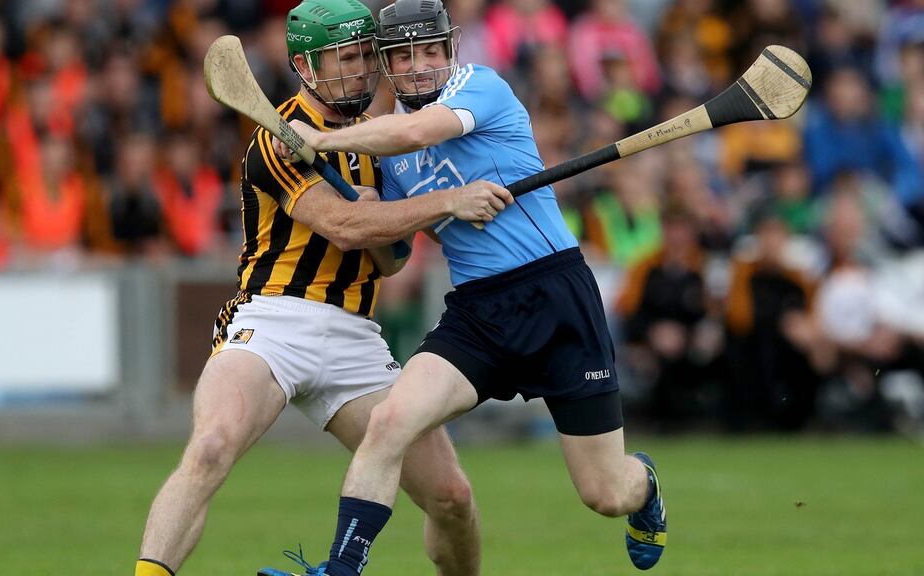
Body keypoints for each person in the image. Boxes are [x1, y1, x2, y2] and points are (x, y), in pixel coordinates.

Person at [262, 0, 667, 574]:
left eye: (430, 50)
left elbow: (416, 130)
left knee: (605, 493)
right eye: (403, 55)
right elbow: (394, 257)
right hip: (479, 312)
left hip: (554, 295)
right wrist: (369, 210)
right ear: (386, 64)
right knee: (388, 424)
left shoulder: (481, 87)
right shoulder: (385, 154)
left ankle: (644, 486)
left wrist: (321, 142)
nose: (420, 65)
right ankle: (340, 569)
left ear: (450, 49)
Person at [132, 2, 513, 575]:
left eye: (366, 57)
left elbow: (386, 259)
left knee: (452, 499)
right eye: (346, 58)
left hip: (356, 336)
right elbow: (342, 225)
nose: (360, 71)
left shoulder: (381, 140)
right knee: (211, 447)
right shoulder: (276, 136)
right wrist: (444, 202)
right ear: (308, 66)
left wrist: (389, 217)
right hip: (272, 322)